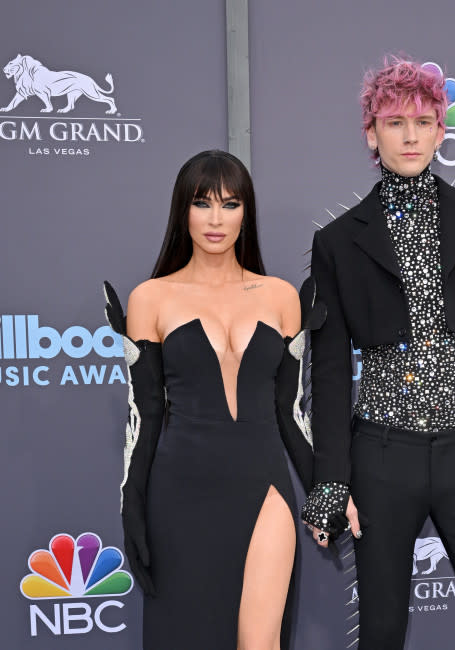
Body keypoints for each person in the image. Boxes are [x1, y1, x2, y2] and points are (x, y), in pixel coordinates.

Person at [300, 56, 455, 650]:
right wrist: (331, 481)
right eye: (393, 122)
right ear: (370, 133)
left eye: (422, 121)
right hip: (382, 458)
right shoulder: (337, 241)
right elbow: (329, 374)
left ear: (441, 129)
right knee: (381, 631)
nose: (409, 135)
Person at [104, 150, 319, 649]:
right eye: (203, 203)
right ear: (184, 210)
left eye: (230, 203)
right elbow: (146, 416)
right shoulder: (150, 299)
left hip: (264, 488)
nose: (216, 219)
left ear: (247, 212)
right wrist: (131, 504)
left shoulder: (281, 296)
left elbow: (292, 415)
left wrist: (325, 491)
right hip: (178, 495)